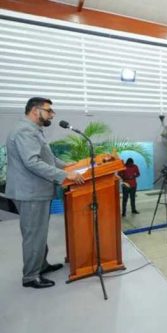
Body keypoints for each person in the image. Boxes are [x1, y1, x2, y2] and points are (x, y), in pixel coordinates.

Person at [5, 97, 85, 289]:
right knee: (34, 234)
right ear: (35, 110)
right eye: (49, 110)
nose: (52, 114)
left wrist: (70, 167)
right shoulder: (25, 131)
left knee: (39, 232)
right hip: (30, 192)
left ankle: (41, 265)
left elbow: (48, 158)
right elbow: (32, 162)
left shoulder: (33, 130)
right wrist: (65, 175)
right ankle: (31, 277)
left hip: (36, 191)